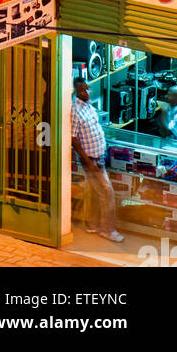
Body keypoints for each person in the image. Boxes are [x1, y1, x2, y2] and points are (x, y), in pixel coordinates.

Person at [70, 77, 124, 242]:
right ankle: (108, 230)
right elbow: (73, 139)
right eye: (83, 90)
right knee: (107, 193)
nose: (87, 92)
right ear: (77, 92)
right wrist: (87, 161)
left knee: (97, 192)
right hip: (92, 161)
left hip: (99, 157)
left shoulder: (87, 105)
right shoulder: (75, 111)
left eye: (87, 89)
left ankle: (93, 224)